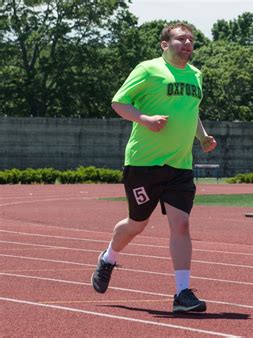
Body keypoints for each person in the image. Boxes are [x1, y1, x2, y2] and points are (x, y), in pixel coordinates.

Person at [91, 23, 217, 313]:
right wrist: (145, 119)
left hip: (180, 164)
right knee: (137, 224)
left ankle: (182, 293)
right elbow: (119, 103)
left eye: (191, 39)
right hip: (144, 163)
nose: (187, 43)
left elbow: (191, 110)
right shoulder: (148, 69)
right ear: (164, 44)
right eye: (180, 38)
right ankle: (108, 257)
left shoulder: (196, 75)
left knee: (181, 225)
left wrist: (202, 136)